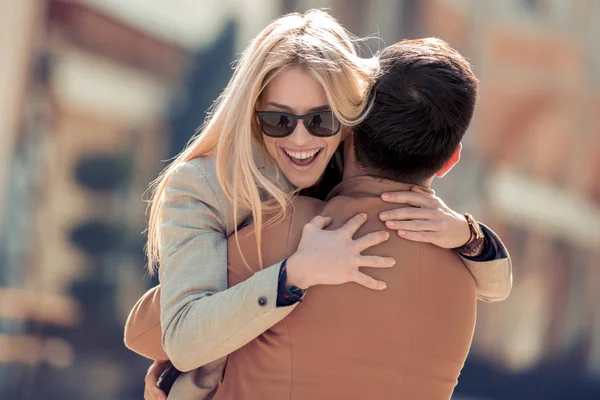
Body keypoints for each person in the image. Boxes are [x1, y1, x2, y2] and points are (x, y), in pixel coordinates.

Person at [125, 11, 512, 400]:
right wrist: (292, 275)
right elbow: (178, 333)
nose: (300, 138)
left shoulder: (367, 201)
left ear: (352, 120)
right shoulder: (206, 186)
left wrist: (469, 234)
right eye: (278, 119)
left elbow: (147, 328)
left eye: (321, 120)